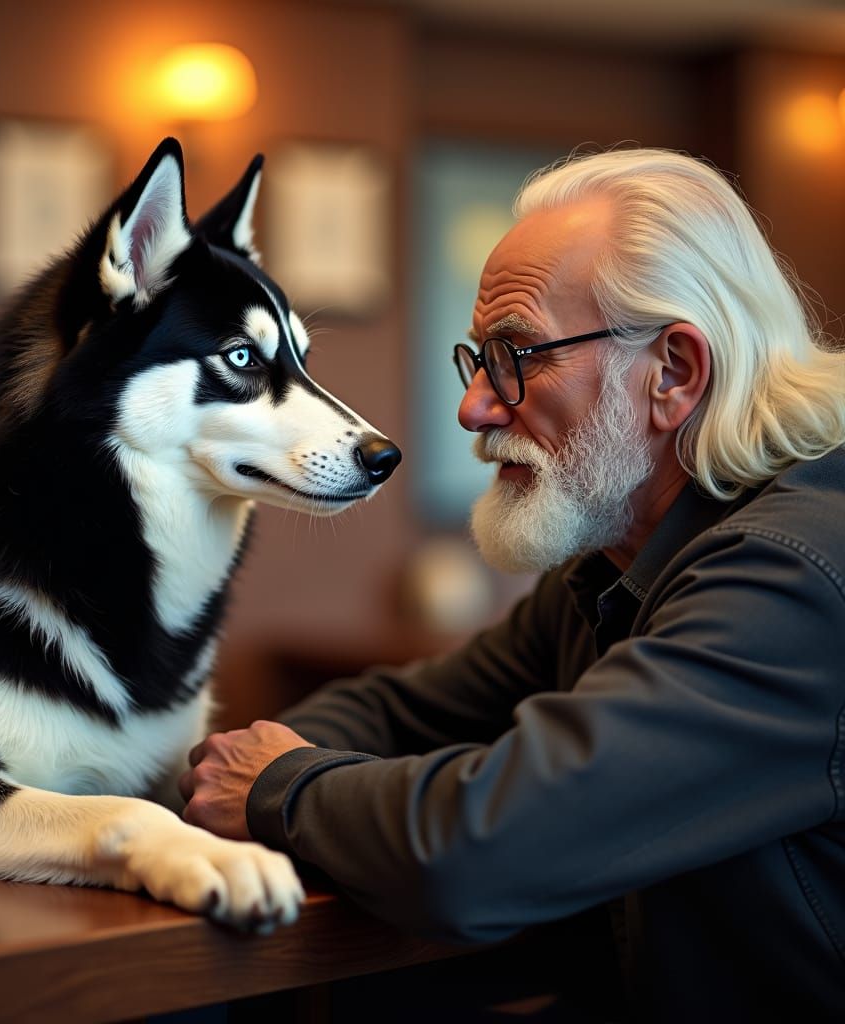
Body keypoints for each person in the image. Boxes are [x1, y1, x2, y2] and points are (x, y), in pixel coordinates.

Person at [178, 148, 845, 1023]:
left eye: (518, 355)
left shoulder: (794, 575)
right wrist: (249, 764)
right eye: (479, 359)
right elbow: (403, 713)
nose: (476, 408)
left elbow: (480, 849)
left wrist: (280, 786)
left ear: (674, 373)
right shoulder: (614, 561)